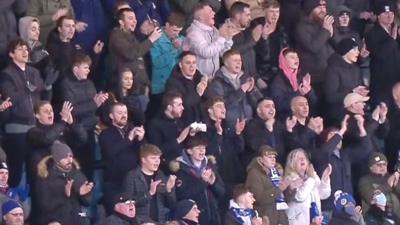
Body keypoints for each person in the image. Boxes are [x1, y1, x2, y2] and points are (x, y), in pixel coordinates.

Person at [0, 38, 47, 187]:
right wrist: (26, 88)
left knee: (36, 172)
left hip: (35, 127)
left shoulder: (33, 71)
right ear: (11, 54)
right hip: (17, 130)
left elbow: (41, 91)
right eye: (20, 49)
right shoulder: (7, 74)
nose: (25, 52)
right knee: (16, 173)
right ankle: (12, 205)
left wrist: (48, 86)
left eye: (26, 49)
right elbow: (10, 98)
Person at [59, 53, 109, 179]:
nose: (88, 70)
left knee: (89, 168)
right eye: (85, 67)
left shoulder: (90, 83)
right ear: (76, 69)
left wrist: (100, 100)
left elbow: (94, 105)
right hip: (74, 133)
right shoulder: (66, 84)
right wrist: (94, 103)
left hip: (91, 129)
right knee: (78, 168)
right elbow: (71, 110)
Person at [99, 102, 145, 213]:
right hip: (115, 182)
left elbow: (141, 153)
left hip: (133, 180)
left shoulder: (132, 130)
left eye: (125, 112)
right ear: (111, 116)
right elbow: (110, 152)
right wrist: (128, 139)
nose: (124, 115)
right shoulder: (105, 133)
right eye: (119, 113)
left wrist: (140, 139)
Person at [35, 141, 93, 225]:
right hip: (54, 220)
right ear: (57, 159)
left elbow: (88, 202)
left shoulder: (77, 174)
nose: (69, 160)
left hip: (77, 217)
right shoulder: (45, 176)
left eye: (70, 156)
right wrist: (65, 195)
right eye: (65, 157)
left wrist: (82, 194)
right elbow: (44, 206)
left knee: (86, 218)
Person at [172, 134, 225, 225]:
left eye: (203, 148)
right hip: (194, 218)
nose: (202, 151)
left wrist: (213, 184)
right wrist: (203, 182)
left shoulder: (210, 166)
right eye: (198, 148)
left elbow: (222, 192)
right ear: (189, 151)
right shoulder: (181, 170)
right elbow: (182, 196)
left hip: (213, 215)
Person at [109, 8, 162, 95]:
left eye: (135, 18)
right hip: (127, 89)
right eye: (130, 18)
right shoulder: (116, 36)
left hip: (141, 87)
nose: (135, 21)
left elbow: (139, 57)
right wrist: (151, 39)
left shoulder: (132, 36)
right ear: (121, 22)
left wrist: (146, 84)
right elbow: (132, 53)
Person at [27, 101, 87, 176]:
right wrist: (63, 121)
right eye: (46, 111)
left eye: (51, 111)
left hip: (65, 173)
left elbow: (82, 139)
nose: (50, 113)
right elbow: (46, 139)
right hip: (44, 175)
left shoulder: (61, 128)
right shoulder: (33, 132)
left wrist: (72, 123)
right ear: (37, 115)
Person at [123, 144, 176, 223]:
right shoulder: (132, 176)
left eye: (158, 158)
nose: (157, 161)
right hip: (141, 222)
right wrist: (149, 193)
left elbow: (172, 206)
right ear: (143, 160)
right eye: (153, 158)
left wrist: (169, 190)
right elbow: (128, 203)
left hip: (161, 221)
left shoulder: (161, 176)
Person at [206, 50, 256, 128]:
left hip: (248, 121)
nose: (239, 63)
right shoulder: (217, 82)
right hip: (230, 124)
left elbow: (255, 100)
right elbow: (221, 105)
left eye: (240, 60)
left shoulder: (245, 77)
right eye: (235, 60)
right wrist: (241, 90)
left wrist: (251, 91)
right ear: (226, 63)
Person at [323, 38, 367, 125]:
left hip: (356, 109)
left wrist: (362, 92)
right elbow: (330, 97)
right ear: (345, 51)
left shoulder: (356, 68)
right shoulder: (332, 69)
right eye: (354, 49)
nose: (358, 52)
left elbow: (360, 87)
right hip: (339, 113)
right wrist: (352, 92)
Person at [365, 0, 400, 106]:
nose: (389, 16)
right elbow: (380, 54)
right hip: (381, 84)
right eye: (385, 13)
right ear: (379, 16)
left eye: (391, 13)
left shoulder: (396, 30)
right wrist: (392, 39)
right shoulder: (372, 33)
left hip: (397, 82)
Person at [186, 3, 235, 78]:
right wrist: (222, 38)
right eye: (210, 11)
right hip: (200, 80)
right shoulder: (193, 33)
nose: (214, 13)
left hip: (215, 77)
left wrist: (228, 37)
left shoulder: (214, 30)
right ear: (201, 17)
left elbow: (223, 53)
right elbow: (206, 52)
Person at [284, 148, 331, 225]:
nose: (302, 159)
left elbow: (323, 195)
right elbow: (299, 197)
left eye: (304, 157)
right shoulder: (289, 178)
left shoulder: (311, 176)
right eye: (298, 158)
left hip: (315, 221)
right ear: (292, 163)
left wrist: (325, 179)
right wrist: (311, 178)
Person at [295, 0, 334, 91]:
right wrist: (325, 31)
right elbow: (313, 47)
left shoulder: (323, 24)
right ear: (310, 8)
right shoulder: (301, 27)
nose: (323, 9)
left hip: (328, 73)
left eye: (324, 6)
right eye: (319, 6)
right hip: (313, 77)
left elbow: (336, 47)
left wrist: (332, 34)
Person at [245, 146, 289, 225]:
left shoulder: (276, 173)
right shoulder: (254, 174)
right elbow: (258, 198)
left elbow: (285, 198)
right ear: (260, 159)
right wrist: (279, 189)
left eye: (274, 157)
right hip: (266, 218)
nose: (273, 159)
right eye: (269, 157)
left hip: (281, 217)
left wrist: (292, 189)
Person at [269, 48, 317, 121]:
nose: (296, 59)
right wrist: (299, 93)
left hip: (304, 118)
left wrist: (309, 91)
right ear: (284, 61)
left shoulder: (301, 77)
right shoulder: (277, 81)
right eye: (292, 57)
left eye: (297, 57)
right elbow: (279, 105)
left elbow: (315, 101)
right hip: (287, 119)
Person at [146, 91, 188, 170]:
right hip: (168, 165)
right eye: (179, 105)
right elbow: (157, 150)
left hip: (184, 158)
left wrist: (190, 134)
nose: (183, 108)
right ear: (169, 107)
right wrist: (178, 140)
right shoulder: (155, 124)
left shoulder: (179, 119)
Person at [165, 51, 207, 126]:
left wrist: (206, 84)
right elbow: (183, 104)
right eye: (188, 63)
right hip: (184, 125)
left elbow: (210, 99)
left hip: (202, 123)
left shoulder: (200, 78)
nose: (192, 66)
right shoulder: (172, 82)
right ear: (180, 65)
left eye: (194, 63)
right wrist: (198, 93)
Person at [150, 12, 187, 98]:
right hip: (161, 86)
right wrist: (173, 49)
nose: (177, 34)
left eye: (179, 31)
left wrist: (184, 50)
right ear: (167, 25)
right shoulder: (156, 39)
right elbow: (157, 63)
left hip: (177, 84)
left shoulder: (182, 40)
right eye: (174, 30)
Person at [253, 0, 290, 84]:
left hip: (279, 74)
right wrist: (264, 37)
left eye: (277, 11)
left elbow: (286, 51)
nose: (275, 14)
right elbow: (256, 53)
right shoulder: (256, 25)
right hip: (262, 74)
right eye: (271, 11)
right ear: (264, 11)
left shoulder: (281, 29)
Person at [244, 98, 287, 165]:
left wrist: (289, 130)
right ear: (259, 110)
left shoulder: (278, 124)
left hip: (280, 165)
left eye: (273, 106)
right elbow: (255, 146)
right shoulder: (251, 126)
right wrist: (268, 130)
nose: (271, 109)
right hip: (262, 167)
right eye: (267, 106)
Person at [358, 152, 400, 219]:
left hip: (396, 218)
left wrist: (397, 183)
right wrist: (388, 184)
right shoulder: (364, 181)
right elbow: (371, 198)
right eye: (378, 165)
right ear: (371, 167)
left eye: (384, 164)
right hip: (377, 219)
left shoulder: (391, 177)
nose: (382, 166)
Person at [228, 2, 263, 81]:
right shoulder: (225, 31)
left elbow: (250, 55)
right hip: (238, 81)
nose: (250, 18)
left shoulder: (246, 30)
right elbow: (231, 52)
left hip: (253, 78)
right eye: (247, 15)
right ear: (237, 16)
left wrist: (257, 78)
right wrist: (253, 40)